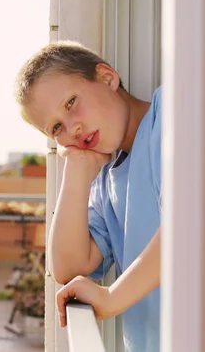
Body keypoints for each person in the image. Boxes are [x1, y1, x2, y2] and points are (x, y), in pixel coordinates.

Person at [14, 40, 163, 352]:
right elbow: (69, 268)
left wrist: (112, 298)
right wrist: (77, 170)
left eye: (70, 103)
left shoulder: (170, 117)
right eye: (57, 128)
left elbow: (191, 219)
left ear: (107, 78)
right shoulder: (107, 183)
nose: (74, 127)